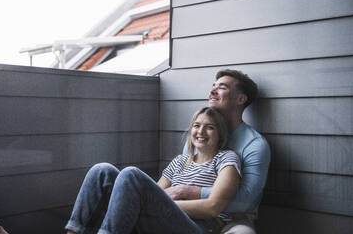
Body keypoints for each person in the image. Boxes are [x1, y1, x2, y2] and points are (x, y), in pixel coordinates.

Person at [65, 107, 241, 234]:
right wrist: (161, 202)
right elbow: (153, 195)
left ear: (220, 134)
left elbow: (212, 208)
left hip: (202, 226)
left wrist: (169, 204)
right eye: (196, 125)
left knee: (131, 174)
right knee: (101, 170)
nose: (201, 131)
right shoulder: (179, 161)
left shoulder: (226, 158)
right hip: (166, 221)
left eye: (210, 127)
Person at [169, 69, 271, 234]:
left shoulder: (255, 145)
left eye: (222, 87)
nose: (212, 91)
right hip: (189, 210)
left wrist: (191, 191)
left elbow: (247, 201)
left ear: (240, 99)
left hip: (233, 218)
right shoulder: (199, 137)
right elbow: (181, 174)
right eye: (213, 86)